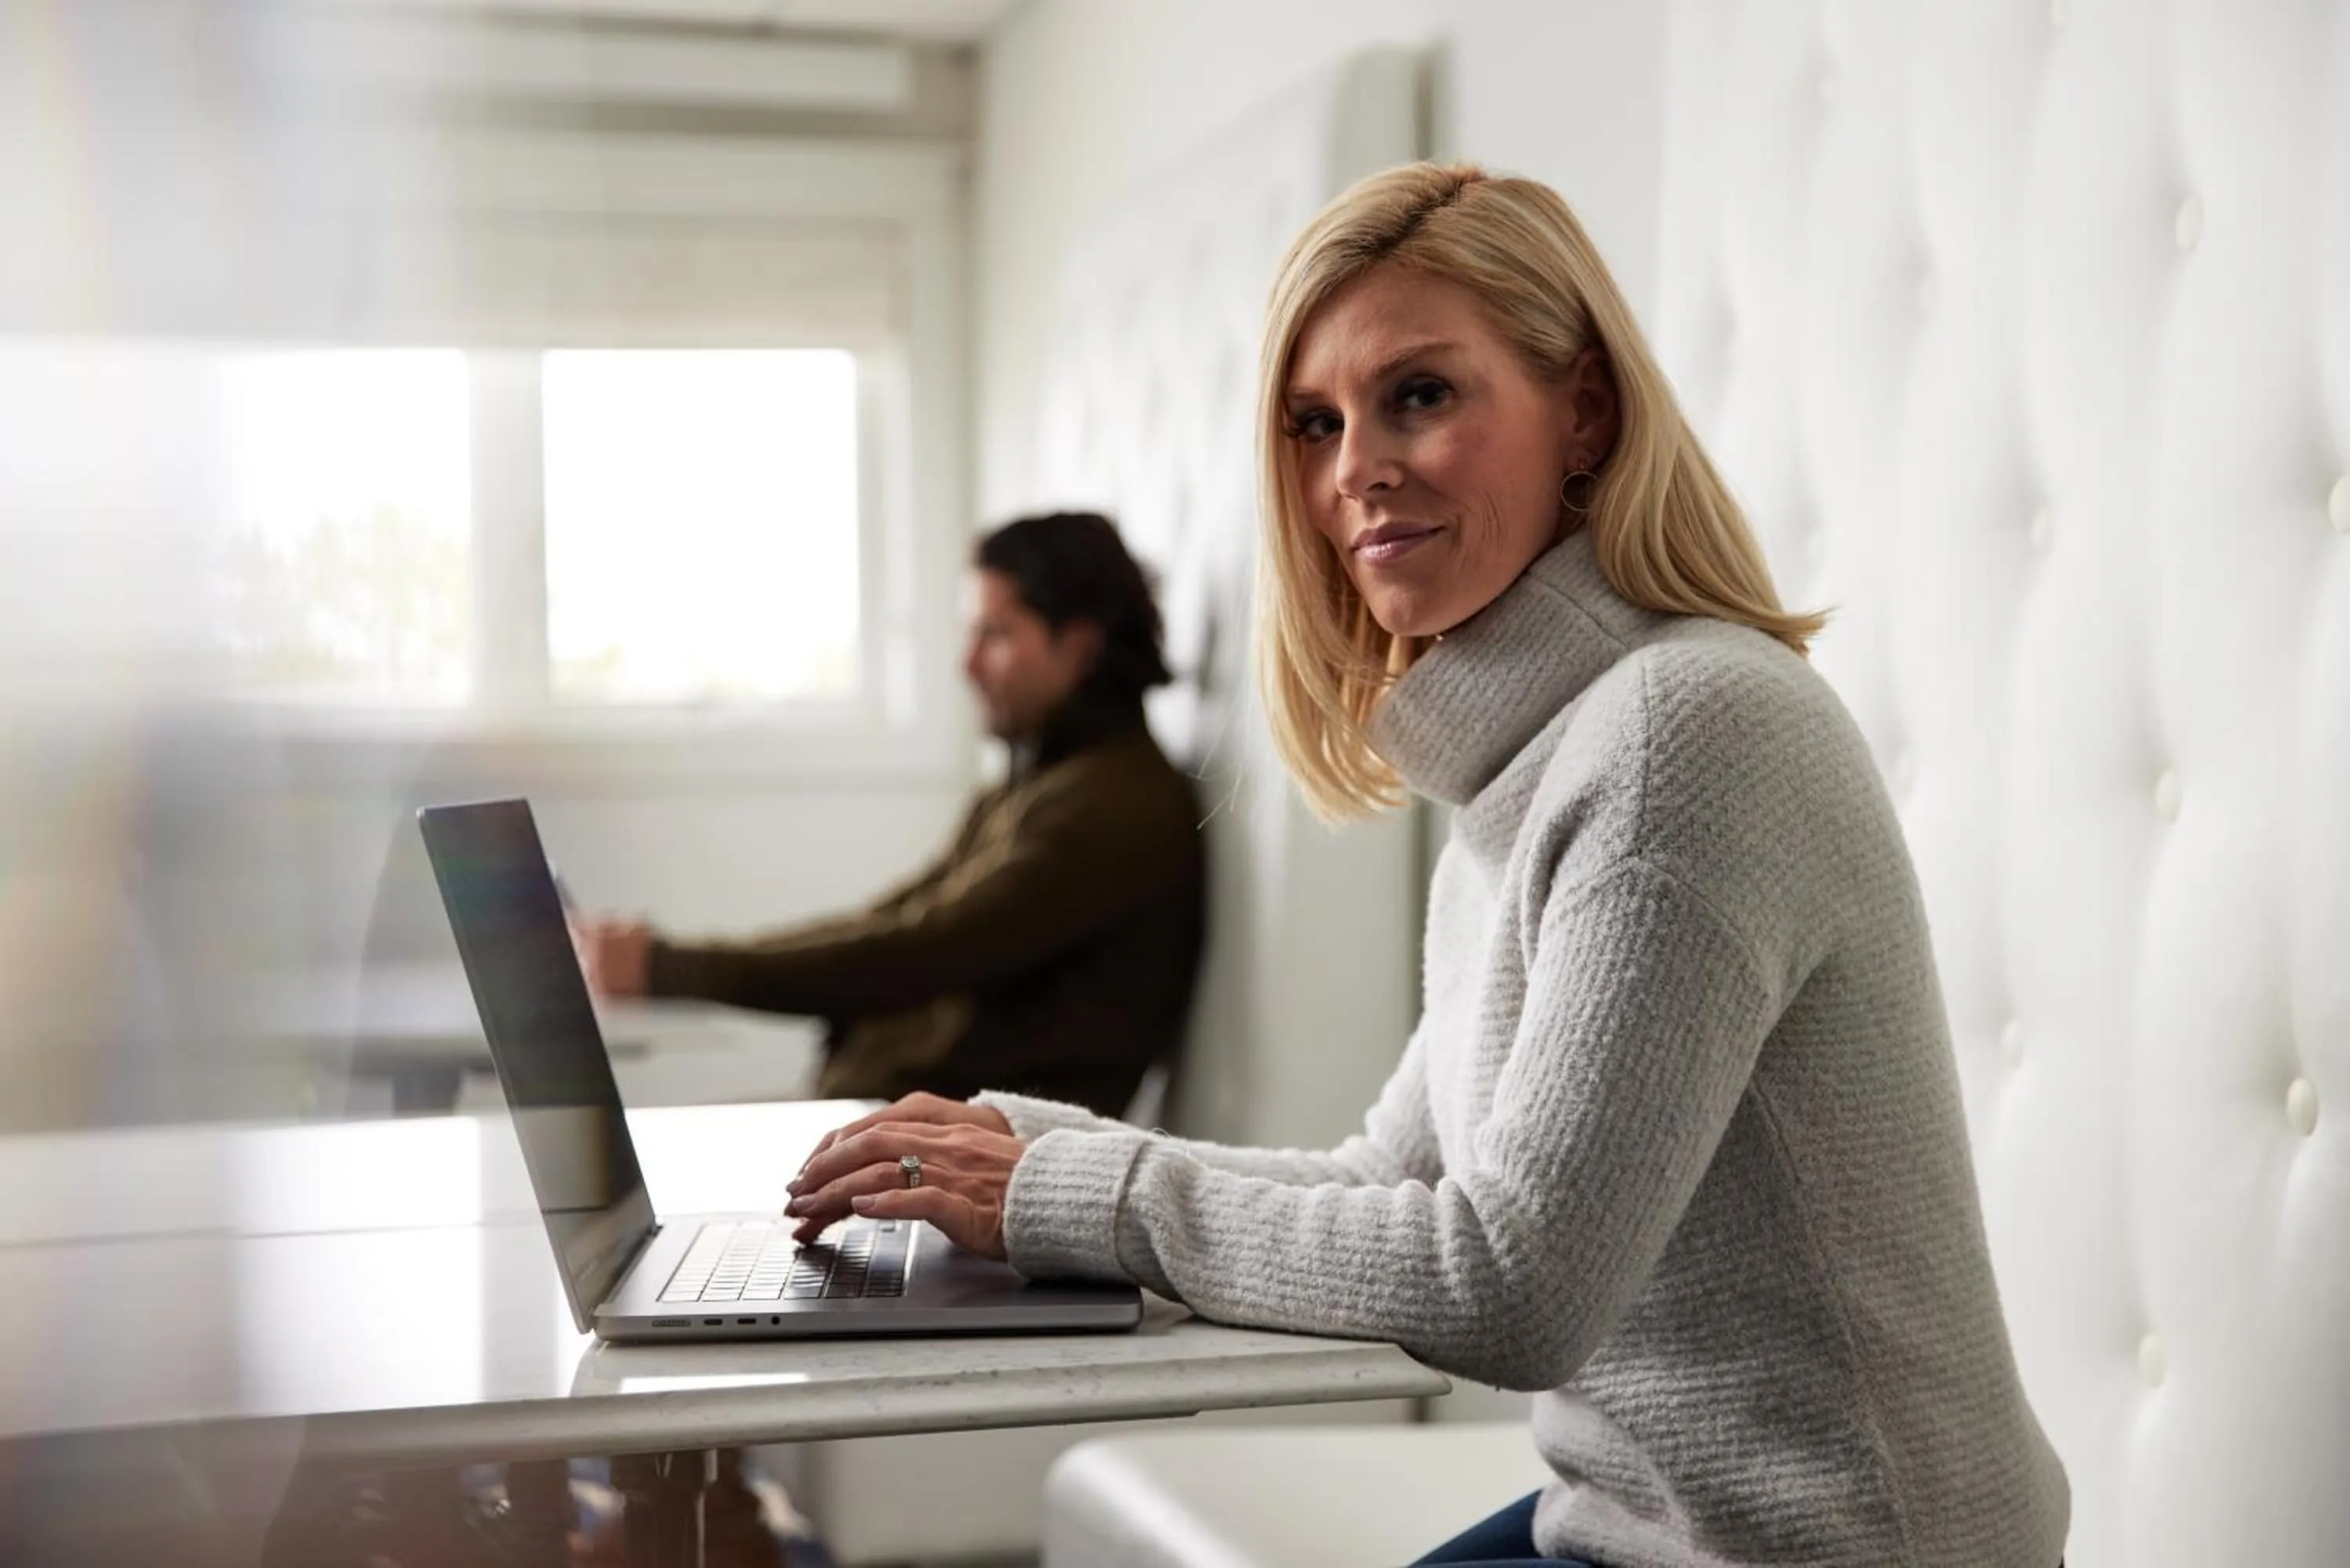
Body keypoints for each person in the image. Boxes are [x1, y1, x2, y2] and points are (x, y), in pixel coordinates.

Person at [777, 164, 2071, 1568]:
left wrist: (1077, 1197)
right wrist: (1040, 1148)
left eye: (1421, 395)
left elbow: (1509, 1287)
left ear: (1583, 411)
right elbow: (1391, 1176)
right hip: (1641, 1523)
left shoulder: (1683, 735)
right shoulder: (1532, 768)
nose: (1354, 473)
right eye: (1316, 423)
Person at [574, 511, 1206, 1120]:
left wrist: (666, 967)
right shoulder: (1039, 784)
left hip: (936, 1168)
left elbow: (915, 954)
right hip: (894, 1133)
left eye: (996, 634)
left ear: (1080, 646)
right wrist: (664, 959)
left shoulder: (1110, 807)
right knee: (647, 1156)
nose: (968, 665)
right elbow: (893, 920)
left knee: (647, 1165)